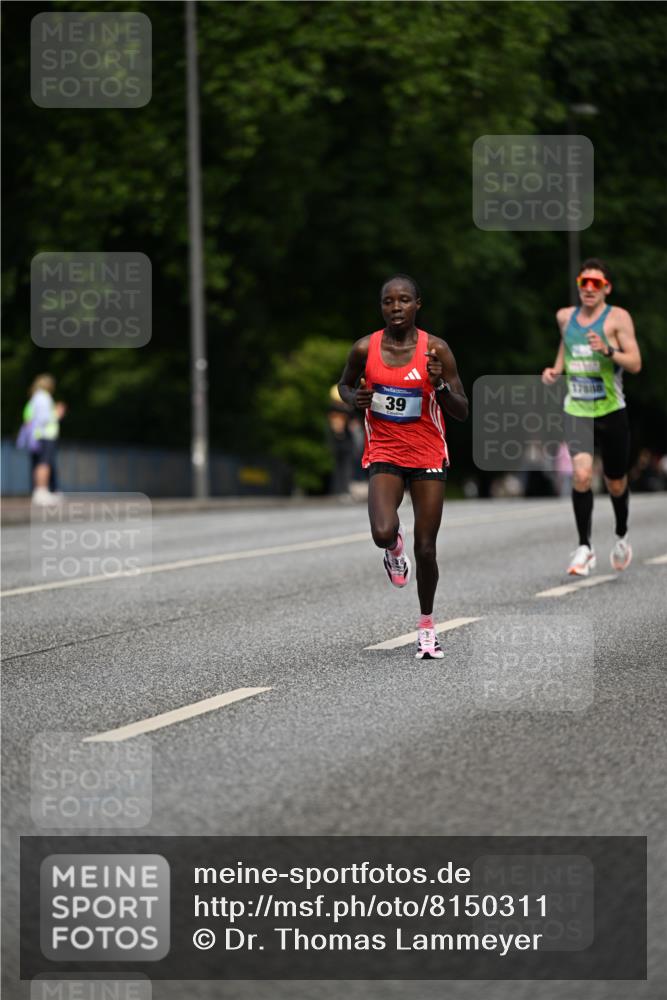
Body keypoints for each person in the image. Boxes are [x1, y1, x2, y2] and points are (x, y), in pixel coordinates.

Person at [338, 274, 468, 659]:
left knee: (426, 549)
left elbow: (462, 410)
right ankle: (393, 549)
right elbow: (344, 386)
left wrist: (440, 385)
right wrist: (355, 398)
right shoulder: (365, 348)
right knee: (382, 530)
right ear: (381, 307)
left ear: (417, 305)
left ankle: (427, 627)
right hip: (384, 451)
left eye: (404, 300)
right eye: (389, 301)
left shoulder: (436, 351)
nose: (396, 308)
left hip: (428, 453)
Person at [541, 258, 642, 575]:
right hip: (577, 409)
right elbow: (566, 344)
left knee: (615, 482)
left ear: (606, 288)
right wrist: (557, 368)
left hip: (611, 410)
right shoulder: (565, 317)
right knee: (582, 475)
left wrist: (608, 351)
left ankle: (622, 534)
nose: (588, 288)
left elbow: (636, 363)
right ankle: (584, 547)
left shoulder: (618, 319)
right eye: (583, 281)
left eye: (595, 283)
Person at [20, 374, 66, 506]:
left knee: (38, 463)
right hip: (45, 435)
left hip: (36, 436)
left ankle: (39, 491)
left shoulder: (34, 398)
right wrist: (57, 413)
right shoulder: (44, 398)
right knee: (44, 463)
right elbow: (44, 418)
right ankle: (42, 492)